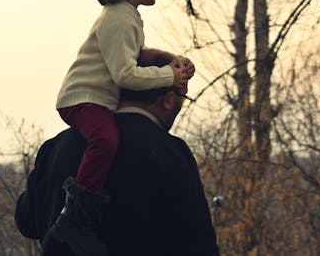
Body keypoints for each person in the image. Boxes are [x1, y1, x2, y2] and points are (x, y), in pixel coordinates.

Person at [50, 0, 193, 254]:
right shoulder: (117, 19)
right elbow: (126, 74)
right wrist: (168, 78)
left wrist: (175, 64)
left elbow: (136, 58)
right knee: (106, 140)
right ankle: (75, 217)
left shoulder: (129, 18)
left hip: (98, 98)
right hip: (84, 99)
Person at [15, 67, 220, 256]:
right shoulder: (170, 152)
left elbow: (26, 222)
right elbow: (198, 244)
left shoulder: (54, 148)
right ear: (167, 100)